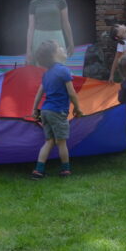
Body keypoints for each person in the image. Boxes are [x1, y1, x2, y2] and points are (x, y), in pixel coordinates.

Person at [29, 39, 83, 179]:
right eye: (59, 47)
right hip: (58, 111)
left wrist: (34, 109)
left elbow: (39, 93)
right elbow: (72, 93)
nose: (63, 48)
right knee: (61, 142)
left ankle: (38, 170)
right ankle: (65, 170)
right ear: (53, 54)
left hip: (45, 111)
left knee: (49, 141)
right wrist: (78, 108)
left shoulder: (47, 74)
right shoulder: (64, 70)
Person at [26, 0, 74, 64]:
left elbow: (66, 23)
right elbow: (30, 27)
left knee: (58, 66)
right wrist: (28, 50)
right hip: (39, 38)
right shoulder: (33, 3)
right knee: (40, 68)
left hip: (56, 37)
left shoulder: (60, 1)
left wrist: (71, 43)